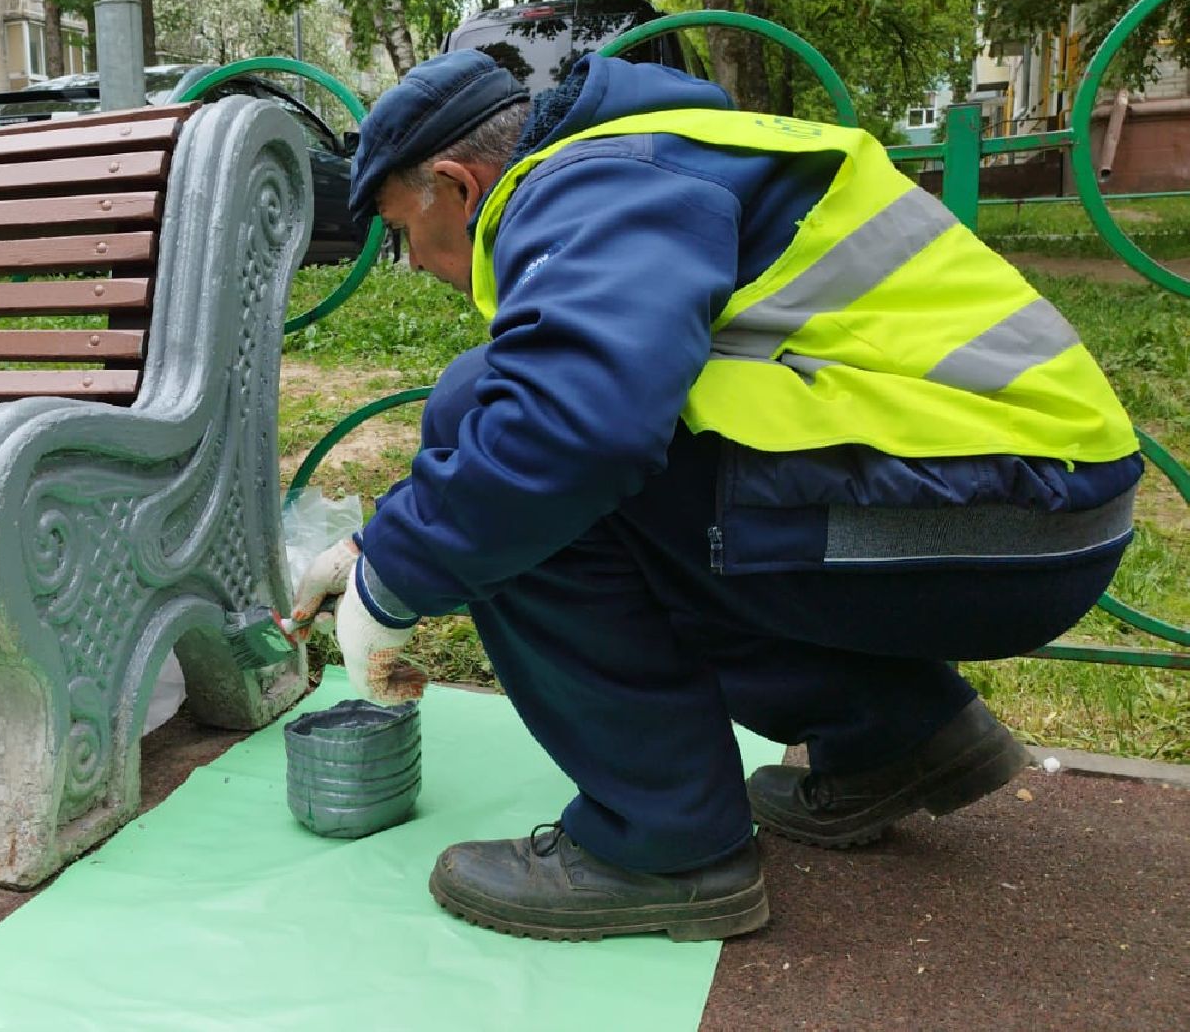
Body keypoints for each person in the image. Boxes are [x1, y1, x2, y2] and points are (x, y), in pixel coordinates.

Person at [290, 50, 1141, 943]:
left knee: (525, 462)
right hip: (1032, 503)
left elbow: (565, 437)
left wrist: (396, 576)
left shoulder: (596, 183)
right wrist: (375, 543)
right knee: (529, 434)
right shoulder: (660, 155)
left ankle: (662, 847)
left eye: (401, 231)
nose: (412, 264)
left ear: (458, 186)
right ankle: (894, 739)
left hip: (995, 513)